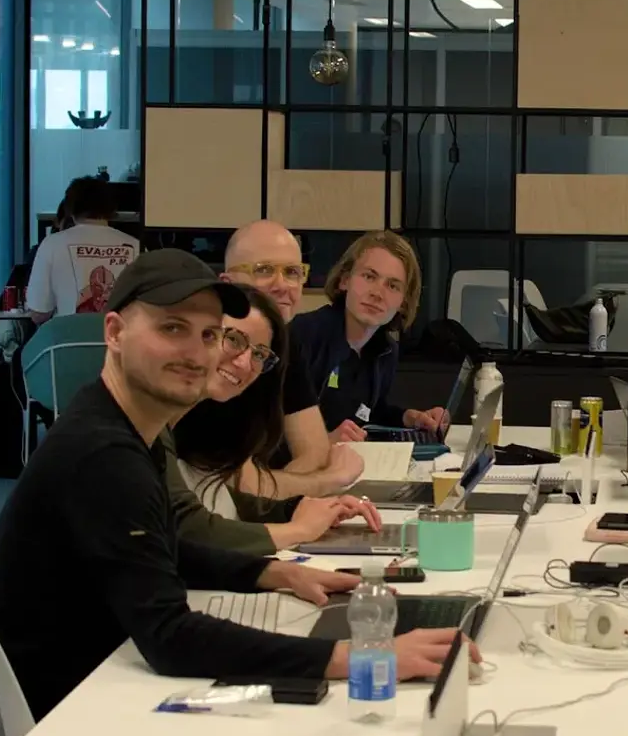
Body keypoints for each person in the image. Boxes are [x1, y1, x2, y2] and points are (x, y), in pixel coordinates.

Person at [0, 248, 473, 721]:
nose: (199, 353)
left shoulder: (120, 426)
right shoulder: (103, 454)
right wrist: (360, 657)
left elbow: (164, 546)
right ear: (115, 332)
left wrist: (272, 574)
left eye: (211, 335)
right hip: (79, 711)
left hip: (101, 673)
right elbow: (169, 636)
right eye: (173, 328)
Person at [169, 283, 383, 554]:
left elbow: (226, 501)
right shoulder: (148, 425)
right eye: (234, 339)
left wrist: (296, 508)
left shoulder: (227, 410)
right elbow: (190, 535)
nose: (245, 362)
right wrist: (298, 527)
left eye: (259, 354)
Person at [219, 220, 363, 499]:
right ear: (228, 284)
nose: (282, 285)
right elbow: (240, 484)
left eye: (292, 272)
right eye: (264, 270)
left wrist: (281, 490)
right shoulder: (211, 351)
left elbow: (315, 451)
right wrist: (329, 480)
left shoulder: (284, 342)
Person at [287, 230, 445, 436]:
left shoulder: (385, 350)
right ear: (345, 281)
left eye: (392, 285)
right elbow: (269, 434)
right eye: (369, 276)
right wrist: (324, 443)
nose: (377, 294)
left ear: (403, 303)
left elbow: (366, 414)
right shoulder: (302, 335)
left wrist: (409, 418)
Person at [26, 177, 140, 323]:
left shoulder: (52, 244)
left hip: (69, 342)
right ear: (112, 208)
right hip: (121, 343)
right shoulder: (136, 246)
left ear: (70, 209)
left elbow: (38, 313)